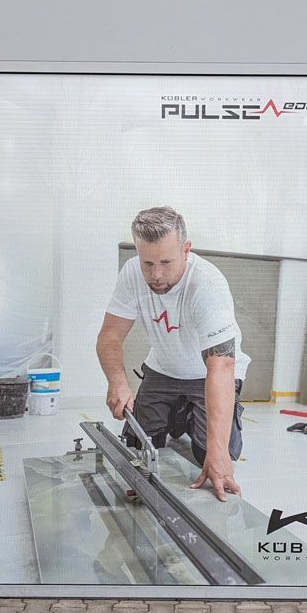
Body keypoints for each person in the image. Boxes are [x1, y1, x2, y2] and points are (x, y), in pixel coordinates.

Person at [96, 206, 250, 501]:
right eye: (147, 263)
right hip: (163, 368)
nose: (156, 274)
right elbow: (109, 335)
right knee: (136, 440)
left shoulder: (207, 283)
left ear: (186, 250)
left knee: (210, 452)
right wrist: (117, 382)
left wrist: (217, 454)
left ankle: (189, 416)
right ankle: (178, 412)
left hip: (208, 373)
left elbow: (221, 366)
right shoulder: (131, 273)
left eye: (166, 262)